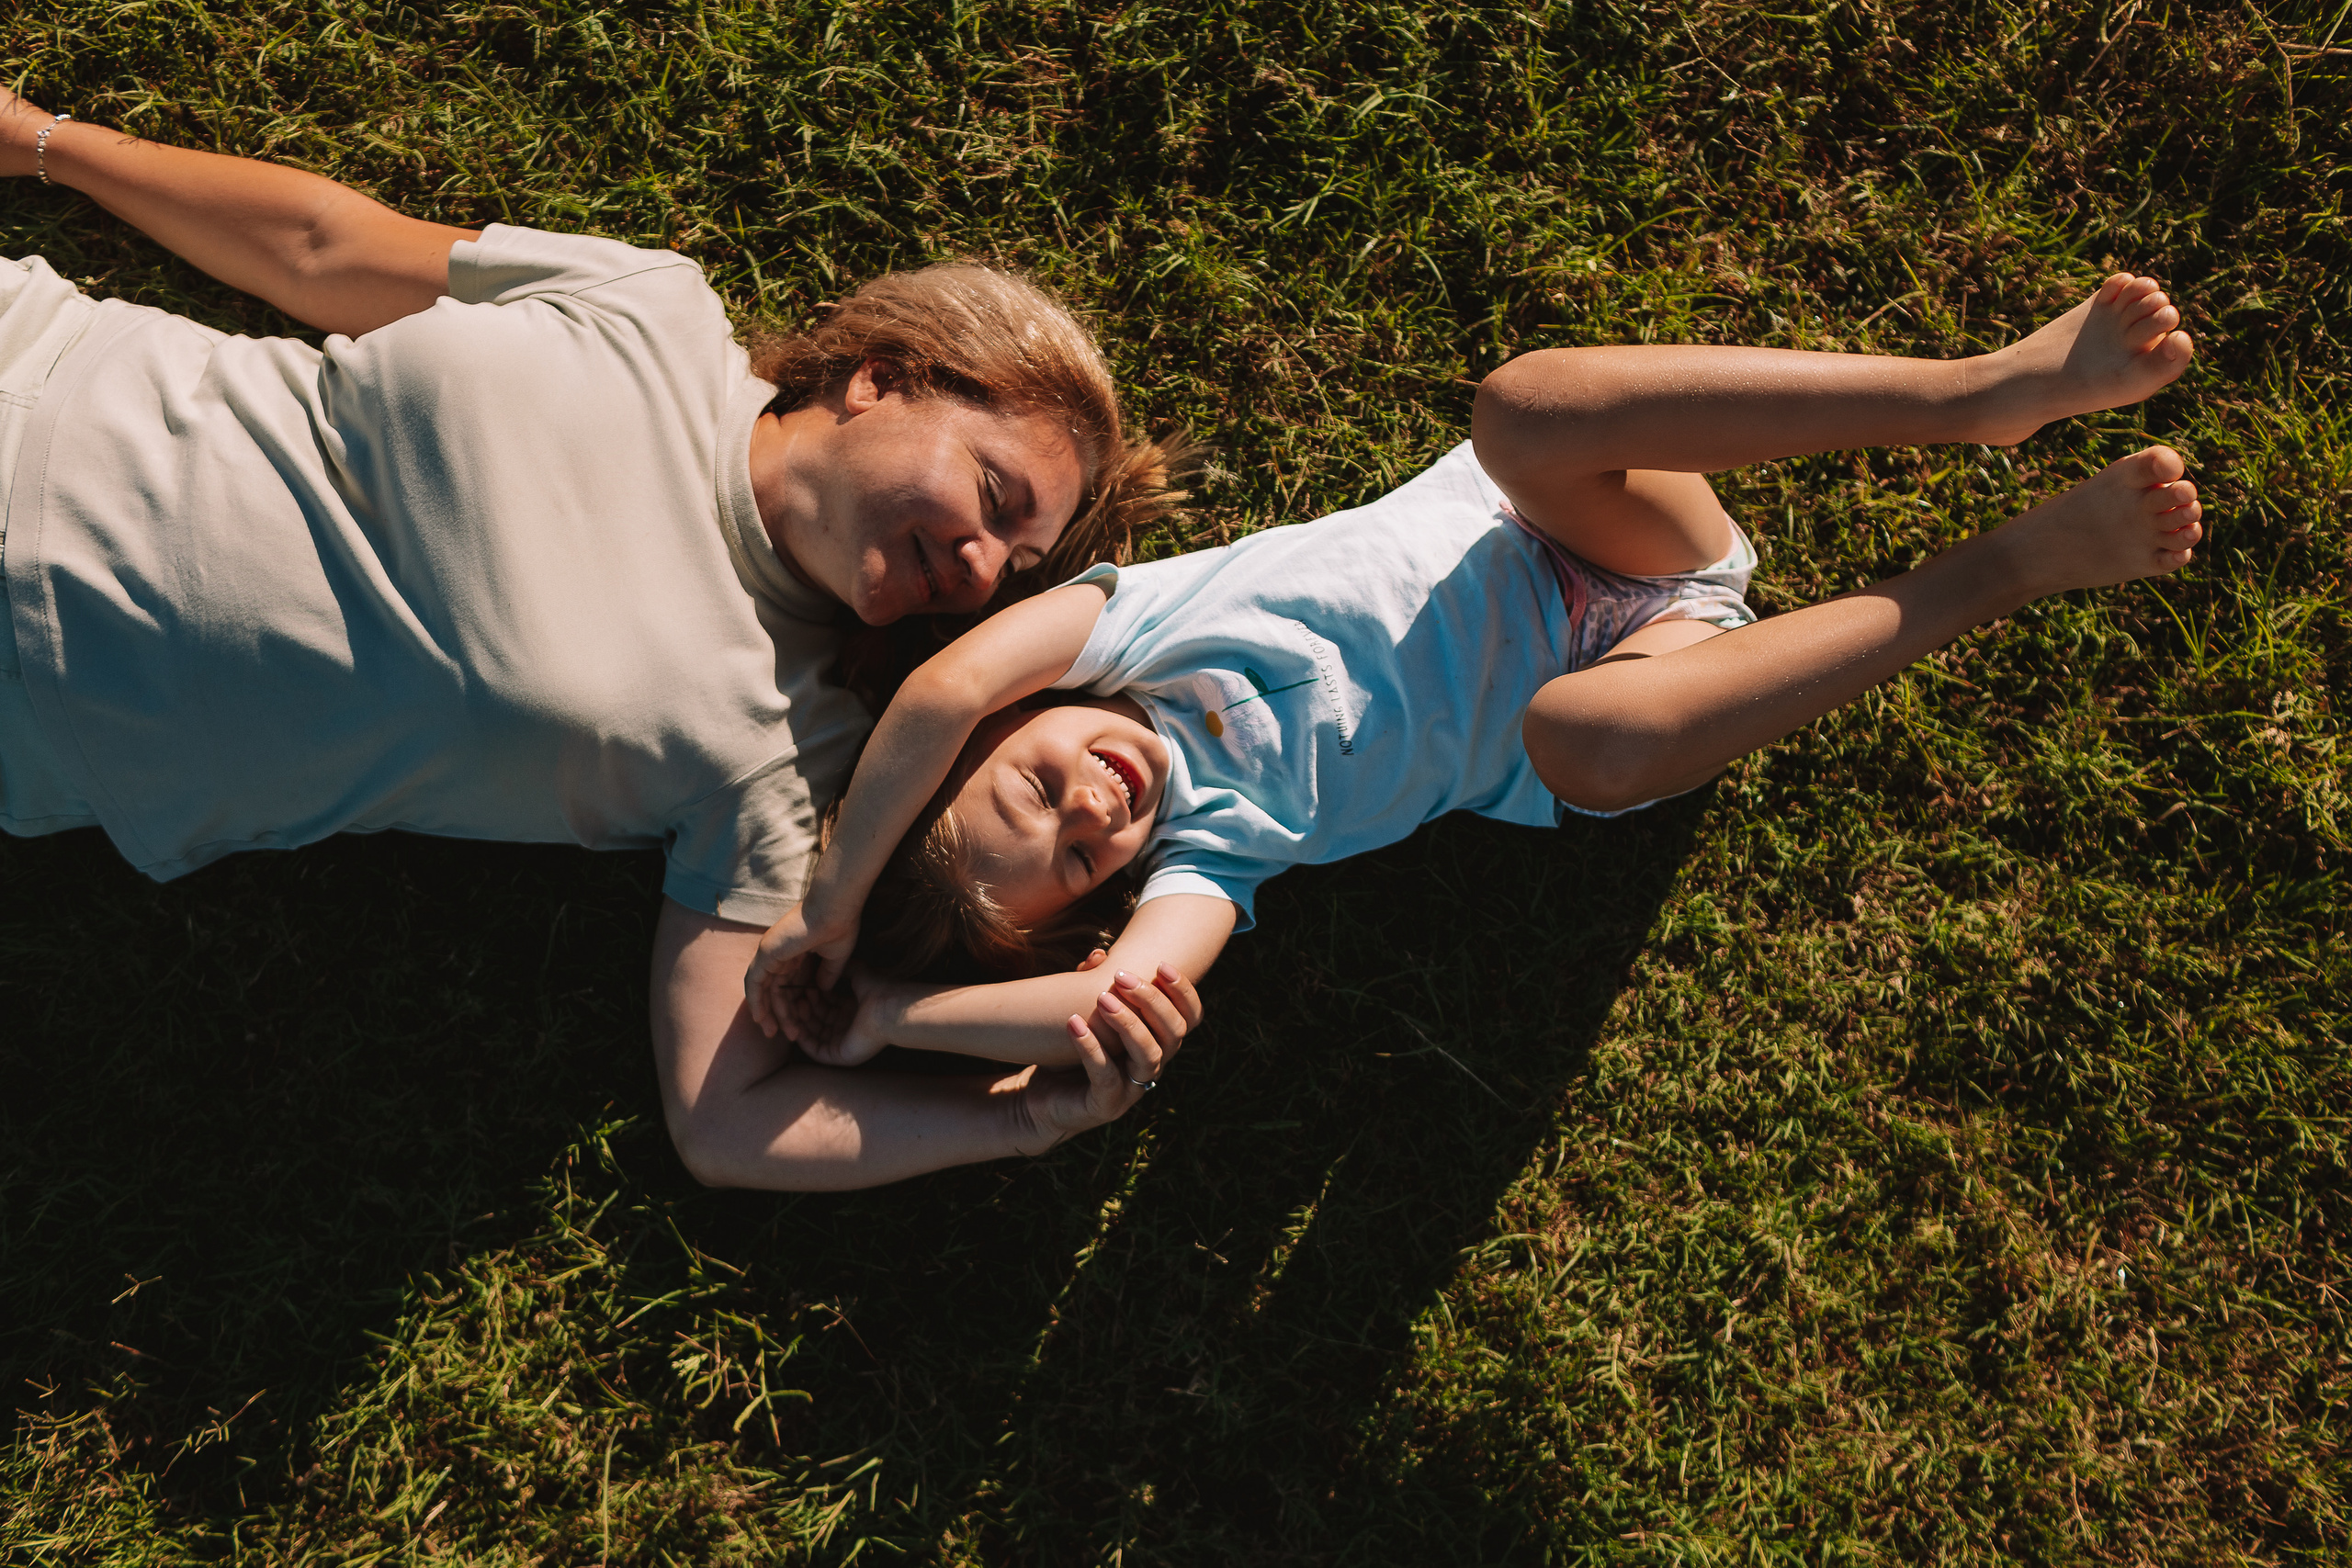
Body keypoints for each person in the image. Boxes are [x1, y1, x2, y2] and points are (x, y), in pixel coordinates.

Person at [0, 85, 1202, 1190]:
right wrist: (44, 145)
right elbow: (322, 246)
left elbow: (725, 1119)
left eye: (1017, 567)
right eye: (995, 499)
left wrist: (1017, 1118)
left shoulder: (789, 746)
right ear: (880, 379)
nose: (985, 570)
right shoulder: (650, 316)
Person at [742, 276, 2203, 1093]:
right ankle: (2001, 571)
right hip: (1647, 663)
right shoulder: (1214, 849)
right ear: (1105, 901)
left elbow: (931, 698)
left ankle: (1972, 397)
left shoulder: (1125, 628)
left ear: (1008, 719)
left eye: (1031, 783)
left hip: (1568, 514)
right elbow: (1109, 998)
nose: (1091, 805)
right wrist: (886, 1017)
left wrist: (833, 907)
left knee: (1520, 407)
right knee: (1578, 738)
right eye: (1076, 861)